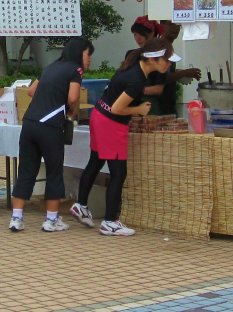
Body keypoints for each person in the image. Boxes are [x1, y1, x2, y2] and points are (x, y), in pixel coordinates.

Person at [74, 41, 182, 236]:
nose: (169, 64)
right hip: (111, 124)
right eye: (166, 60)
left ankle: (81, 205)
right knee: (118, 173)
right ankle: (110, 221)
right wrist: (138, 109)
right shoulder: (137, 80)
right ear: (152, 59)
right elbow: (116, 108)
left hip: (99, 115)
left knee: (96, 161)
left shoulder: (133, 66)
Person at [11, 37, 93, 233]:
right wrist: (69, 108)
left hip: (29, 123)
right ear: (79, 53)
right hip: (50, 126)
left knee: (26, 170)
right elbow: (73, 97)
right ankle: (51, 220)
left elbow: (31, 91)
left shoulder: (50, 67)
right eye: (88, 54)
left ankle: (16, 217)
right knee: (54, 171)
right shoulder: (76, 70)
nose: (89, 59)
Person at [156, 21, 202, 116]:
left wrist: (180, 75)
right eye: (171, 24)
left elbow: (167, 72)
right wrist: (185, 73)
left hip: (168, 101)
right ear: (162, 25)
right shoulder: (160, 47)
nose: (176, 28)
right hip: (160, 104)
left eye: (178, 25)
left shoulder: (168, 46)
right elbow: (161, 77)